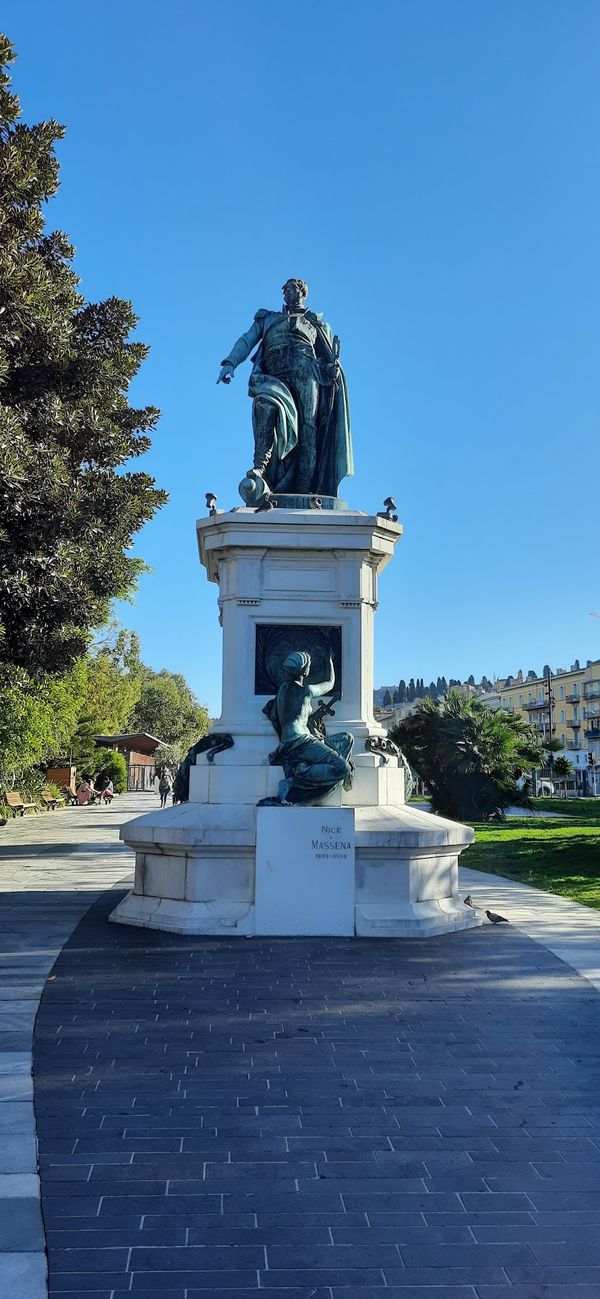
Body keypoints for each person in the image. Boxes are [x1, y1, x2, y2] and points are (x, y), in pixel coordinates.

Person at [217, 278, 353, 499]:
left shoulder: (316, 324)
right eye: (285, 290)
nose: (288, 294)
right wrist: (230, 363)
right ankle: (259, 467)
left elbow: (327, 359)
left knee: (309, 427)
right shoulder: (268, 318)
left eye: (292, 290)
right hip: (273, 373)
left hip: (307, 372)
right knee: (265, 406)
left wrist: (332, 370)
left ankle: (304, 487)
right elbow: (247, 340)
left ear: (303, 293)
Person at [260, 651, 353, 805]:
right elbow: (330, 684)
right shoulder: (306, 691)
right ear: (305, 670)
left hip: (288, 743)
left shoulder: (283, 688)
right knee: (343, 768)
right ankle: (293, 780)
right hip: (301, 742)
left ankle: (303, 769)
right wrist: (330, 661)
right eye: (309, 666)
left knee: (345, 740)